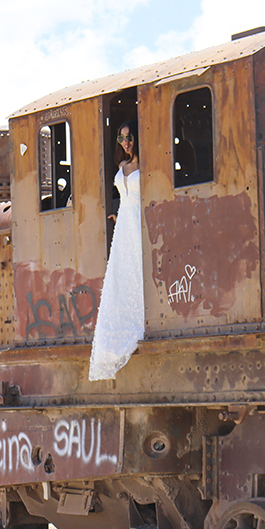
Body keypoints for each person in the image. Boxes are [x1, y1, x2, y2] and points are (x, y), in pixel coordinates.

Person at [89, 120, 144, 381]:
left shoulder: (144, 165)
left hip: (138, 220)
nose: (126, 142)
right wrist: (116, 216)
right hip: (124, 222)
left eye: (130, 136)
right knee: (120, 276)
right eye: (121, 138)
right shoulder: (122, 167)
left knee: (136, 269)